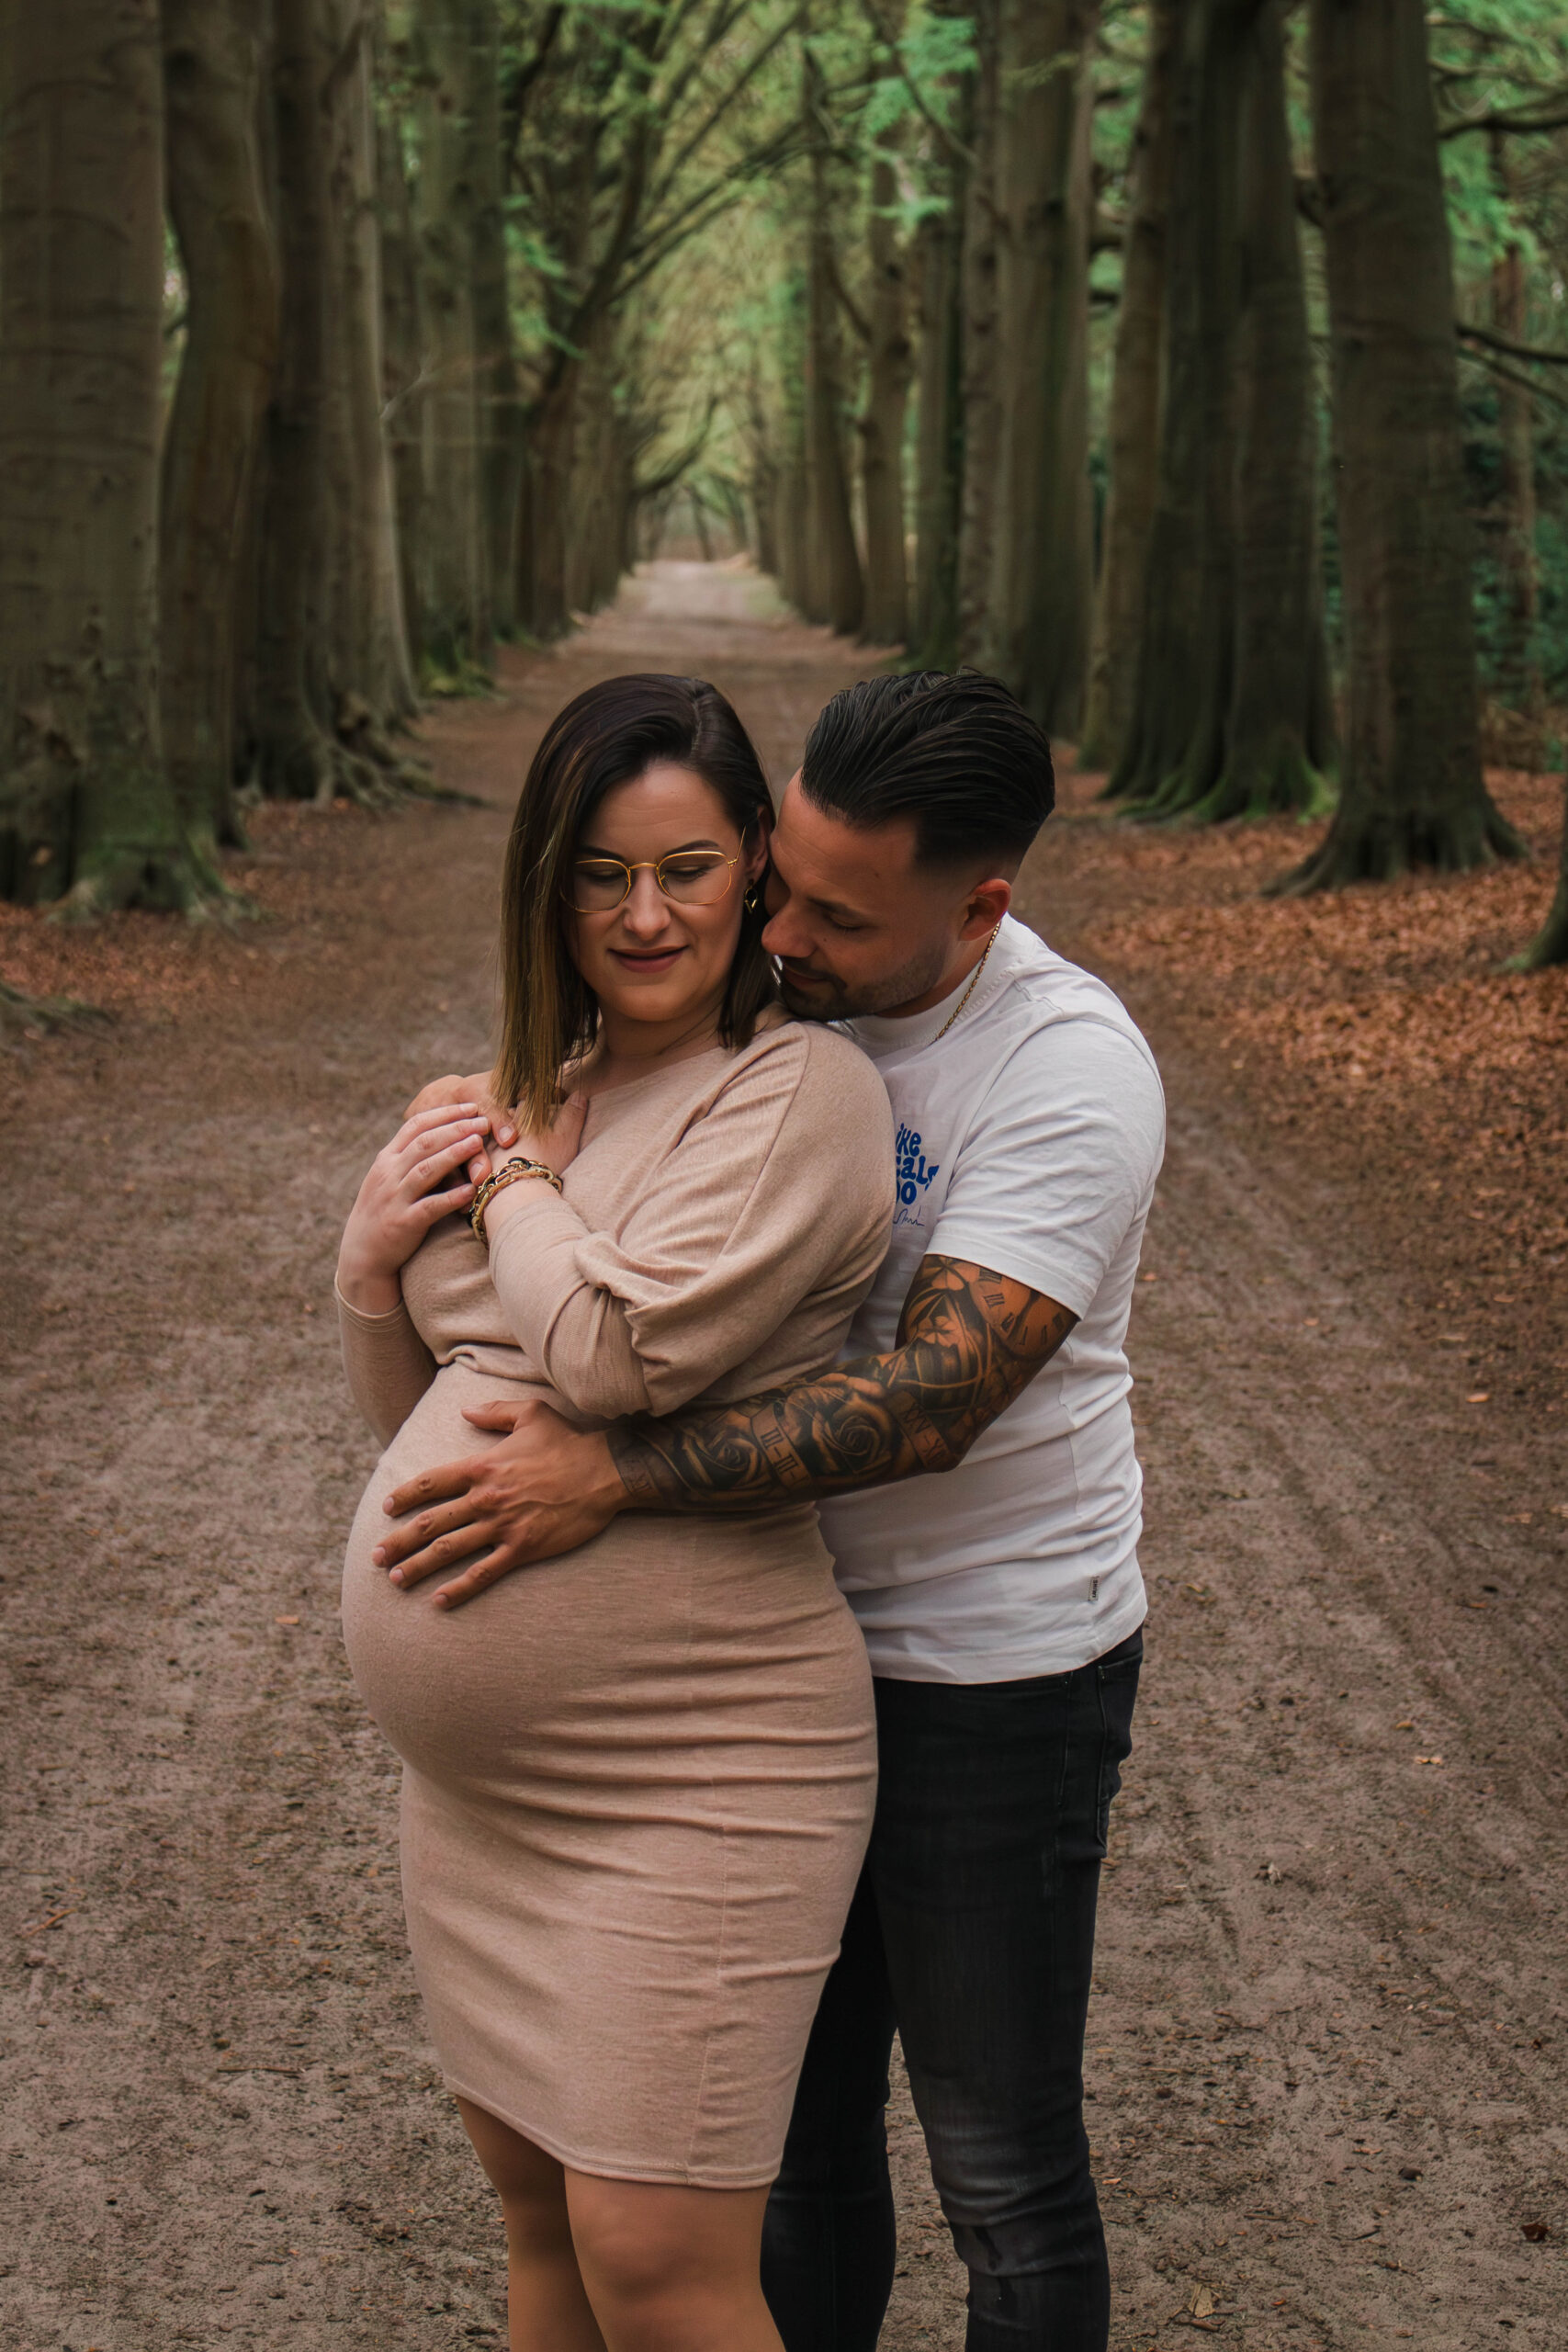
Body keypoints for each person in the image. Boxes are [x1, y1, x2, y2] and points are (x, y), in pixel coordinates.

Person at [386, 669, 1167, 2352]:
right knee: (787, 2164)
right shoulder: (756, 1019)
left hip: (982, 1664)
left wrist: (612, 1469)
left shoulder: (1064, 1068)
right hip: (745, 1646)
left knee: (1000, 2168)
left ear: (978, 910)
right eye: (781, 881)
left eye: (838, 915)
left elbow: (934, 1398)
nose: (783, 934)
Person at [334, 673, 895, 2352]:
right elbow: (429, 1407)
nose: (644, 916)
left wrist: (509, 1178)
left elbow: (602, 1353)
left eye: (687, 869)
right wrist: (366, 1263)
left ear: (754, 870)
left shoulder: (795, 1095)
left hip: (694, 1764)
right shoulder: (544, 1076)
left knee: (657, 2264)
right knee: (542, 2229)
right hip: (484, 1804)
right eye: (601, 874)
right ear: (549, 886)